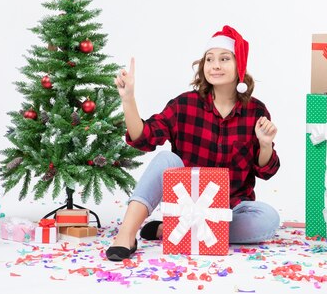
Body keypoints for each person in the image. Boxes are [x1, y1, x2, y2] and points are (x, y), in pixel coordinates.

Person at [105, 25, 280, 261]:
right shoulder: (184, 105)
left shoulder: (255, 110)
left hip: (229, 210)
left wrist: (265, 143)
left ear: (240, 66)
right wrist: (128, 99)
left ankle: (173, 230)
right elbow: (143, 137)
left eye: (224, 58)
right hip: (185, 203)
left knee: (268, 219)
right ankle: (126, 234)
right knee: (167, 159)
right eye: (210, 59)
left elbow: (266, 171)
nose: (215, 65)